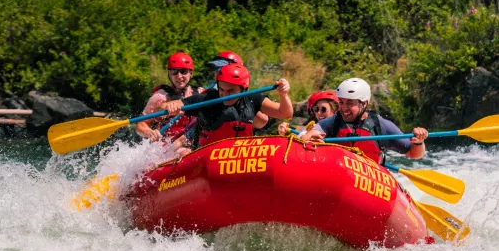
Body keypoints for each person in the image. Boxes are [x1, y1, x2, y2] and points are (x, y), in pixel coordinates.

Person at [300, 78, 428, 162]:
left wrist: (418, 142)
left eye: (350, 103)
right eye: (341, 102)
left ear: (364, 103)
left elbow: (414, 154)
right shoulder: (332, 122)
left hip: (370, 181)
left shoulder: (380, 126)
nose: (344, 108)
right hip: (338, 175)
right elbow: (307, 136)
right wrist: (308, 138)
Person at [163, 64, 293, 147]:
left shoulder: (253, 99)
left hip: (241, 158)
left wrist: (283, 95)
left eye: (231, 91)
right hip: (207, 158)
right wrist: (170, 106)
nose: (225, 95)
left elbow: (285, 113)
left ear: (243, 89)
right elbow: (165, 106)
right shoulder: (207, 99)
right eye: (222, 90)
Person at [136, 52, 203, 142]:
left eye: (183, 71)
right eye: (174, 72)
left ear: (191, 73)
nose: (179, 76)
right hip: (168, 145)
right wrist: (150, 132)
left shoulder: (200, 93)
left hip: (193, 142)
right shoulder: (159, 97)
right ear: (169, 74)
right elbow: (141, 124)